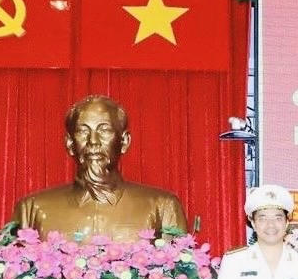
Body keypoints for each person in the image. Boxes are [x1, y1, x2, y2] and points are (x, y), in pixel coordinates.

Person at [13, 95, 186, 241]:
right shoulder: (32, 209)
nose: (93, 141)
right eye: (83, 131)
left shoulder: (162, 207)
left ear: (124, 141)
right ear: (70, 143)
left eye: (104, 130)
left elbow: (180, 269)